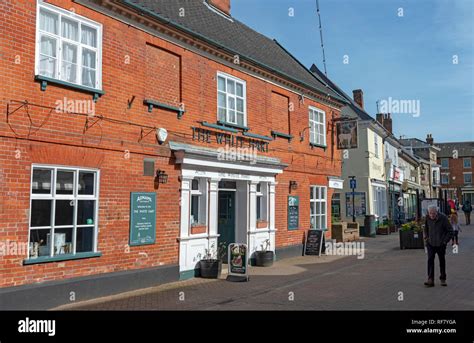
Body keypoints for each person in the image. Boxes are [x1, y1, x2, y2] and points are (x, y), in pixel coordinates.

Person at [423, 205, 453, 287]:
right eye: (430, 213)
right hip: (431, 243)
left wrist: (445, 241)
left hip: (441, 244)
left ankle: (443, 279)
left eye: (433, 213)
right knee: (430, 260)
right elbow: (425, 228)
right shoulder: (427, 218)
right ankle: (430, 279)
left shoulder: (443, 218)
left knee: (442, 261)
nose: (431, 215)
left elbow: (450, 231)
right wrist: (426, 238)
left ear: (437, 212)